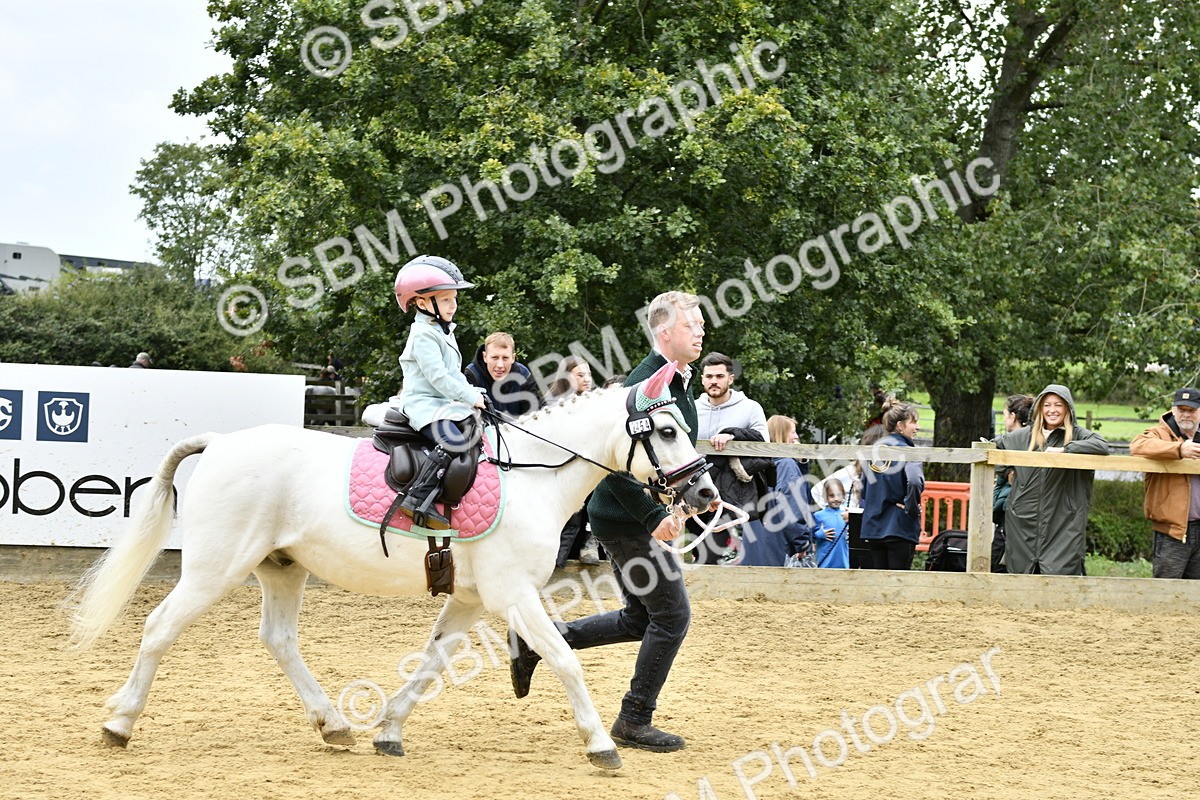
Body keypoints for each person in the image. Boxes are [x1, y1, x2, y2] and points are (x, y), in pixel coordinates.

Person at [510, 290, 708, 753]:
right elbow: (612, 467)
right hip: (624, 519)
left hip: (633, 517)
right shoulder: (642, 386)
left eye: (700, 325)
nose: (700, 332)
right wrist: (655, 516)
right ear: (664, 332)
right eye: (690, 325)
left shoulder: (677, 381)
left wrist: (678, 502)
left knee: (641, 618)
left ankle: (539, 640)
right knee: (672, 615)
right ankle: (634, 720)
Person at [392, 255, 484, 530]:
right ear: (421, 302)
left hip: (443, 404)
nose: (453, 305)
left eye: (454, 299)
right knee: (452, 440)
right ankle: (416, 497)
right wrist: (470, 397)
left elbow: (454, 373)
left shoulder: (443, 330)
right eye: (446, 299)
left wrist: (474, 392)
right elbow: (439, 378)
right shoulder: (422, 334)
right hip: (424, 405)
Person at [993, 384, 1109, 575]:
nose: (1052, 410)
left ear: (1068, 409)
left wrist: (1066, 449)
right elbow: (993, 448)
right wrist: (1007, 472)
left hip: (1063, 523)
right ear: (1039, 408)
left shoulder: (1079, 435)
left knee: (1060, 580)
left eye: (1058, 405)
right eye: (1047, 405)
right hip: (1023, 522)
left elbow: (1102, 446)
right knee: (1022, 581)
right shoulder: (1023, 437)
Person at [691, 352, 772, 564]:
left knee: (716, 553)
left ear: (731, 378)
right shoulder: (691, 408)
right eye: (709, 376)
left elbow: (765, 443)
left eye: (719, 376)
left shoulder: (750, 407)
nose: (714, 381)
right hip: (693, 488)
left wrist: (733, 434)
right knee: (698, 551)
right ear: (702, 379)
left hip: (732, 492)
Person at [1130, 387, 1200, 579]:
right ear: (1173, 410)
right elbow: (1137, 446)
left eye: (1192, 410)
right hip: (1173, 529)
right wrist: (1179, 450)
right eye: (1182, 409)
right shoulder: (1159, 433)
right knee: (1165, 588)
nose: (1186, 414)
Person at [544, 355, 601, 567]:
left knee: (585, 513)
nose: (587, 379)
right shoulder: (553, 404)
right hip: (559, 470)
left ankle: (587, 547)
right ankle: (552, 563)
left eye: (589, 374)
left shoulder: (595, 402)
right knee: (569, 518)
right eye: (580, 374)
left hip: (588, 469)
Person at [859, 400, 925, 570]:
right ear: (900, 426)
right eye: (914, 422)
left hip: (873, 526)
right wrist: (911, 508)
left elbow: (863, 487)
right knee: (898, 586)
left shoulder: (874, 450)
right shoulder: (909, 451)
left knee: (880, 585)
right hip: (899, 526)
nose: (917, 427)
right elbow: (915, 481)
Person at [739, 415, 812, 567]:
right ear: (782, 434)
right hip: (779, 544)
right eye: (793, 432)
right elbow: (793, 506)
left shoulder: (756, 466)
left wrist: (802, 463)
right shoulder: (786, 465)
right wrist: (802, 542)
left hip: (754, 543)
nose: (796, 436)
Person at [991, 394, 1034, 573]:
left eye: (1004, 414)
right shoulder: (1011, 442)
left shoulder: (1017, 442)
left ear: (1013, 417)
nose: (1003, 419)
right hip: (1006, 507)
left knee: (997, 561)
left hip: (1012, 511)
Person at [464, 332, 539, 417]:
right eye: (494, 358)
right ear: (485, 357)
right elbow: (470, 417)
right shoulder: (473, 374)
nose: (500, 365)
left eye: (505, 358)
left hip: (518, 427)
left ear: (513, 358)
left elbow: (532, 415)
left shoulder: (524, 375)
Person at [812, 481, 851, 569]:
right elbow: (810, 535)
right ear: (825, 497)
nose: (836, 499)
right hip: (825, 562)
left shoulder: (846, 515)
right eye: (832, 495)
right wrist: (820, 534)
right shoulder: (818, 515)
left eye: (839, 495)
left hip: (844, 562)